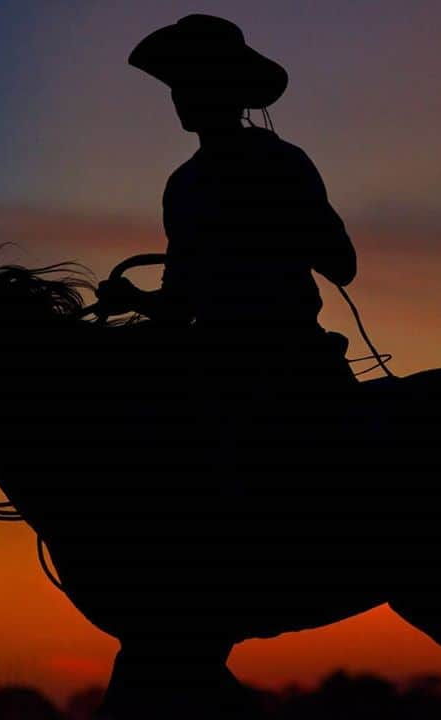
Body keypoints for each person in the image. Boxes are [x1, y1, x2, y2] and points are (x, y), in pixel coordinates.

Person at [98, 14, 359, 463]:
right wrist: (134, 301)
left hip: (288, 361)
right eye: (176, 85)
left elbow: (341, 265)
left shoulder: (273, 166)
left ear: (225, 89)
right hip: (219, 365)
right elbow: (179, 307)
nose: (179, 97)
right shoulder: (186, 184)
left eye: (190, 82)